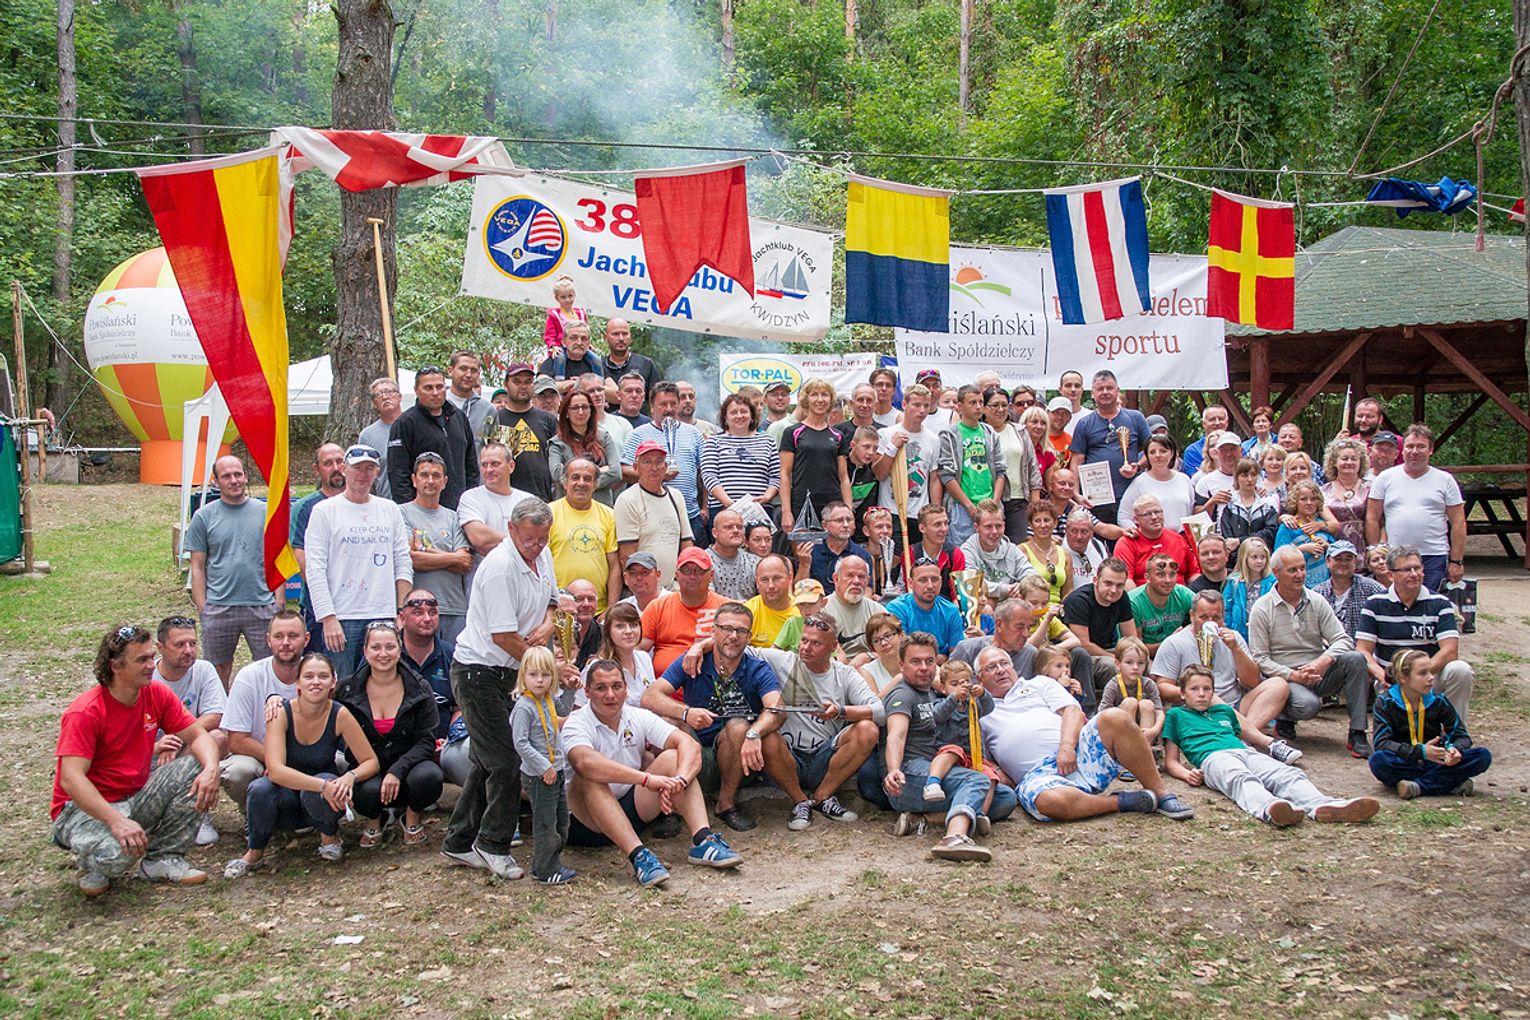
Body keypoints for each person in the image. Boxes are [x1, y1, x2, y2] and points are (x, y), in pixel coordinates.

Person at [51, 625, 223, 895]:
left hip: (134, 795)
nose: (151, 666)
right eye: (141, 660)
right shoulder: (85, 712)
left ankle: (163, 858)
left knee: (197, 765)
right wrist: (115, 821)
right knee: (120, 854)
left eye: (151, 657)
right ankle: (93, 860)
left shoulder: (156, 694)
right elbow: (71, 779)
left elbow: (199, 736)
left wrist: (212, 769)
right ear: (116, 666)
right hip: (83, 808)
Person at [441, 498, 558, 881]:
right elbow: (503, 636)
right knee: (506, 761)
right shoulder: (498, 569)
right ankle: (493, 844)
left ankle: (459, 840)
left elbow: (553, 599)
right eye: (528, 539)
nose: (536, 546)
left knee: (485, 760)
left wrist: (548, 623)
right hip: (478, 674)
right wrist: (544, 667)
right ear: (510, 530)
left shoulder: (542, 556)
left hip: (509, 673)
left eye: (542, 539)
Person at [566, 659, 742, 887]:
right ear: (587, 692)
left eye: (616, 686)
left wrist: (679, 781)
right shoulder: (576, 722)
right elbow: (584, 762)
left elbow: (688, 744)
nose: (610, 695)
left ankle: (703, 840)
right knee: (590, 777)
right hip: (585, 822)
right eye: (601, 688)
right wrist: (647, 779)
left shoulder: (637, 716)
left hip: (630, 807)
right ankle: (639, 856)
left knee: (674, 757)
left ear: (626, 689)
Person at [222, 652, 379, 877]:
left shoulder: (340, 714)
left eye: (323, 676)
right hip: (286, 795)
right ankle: (254, 852)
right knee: (259, 789)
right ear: (298, 683)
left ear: (333, 682)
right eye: (308, 676)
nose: (316, 682)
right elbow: (275, 771)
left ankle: (329, 838)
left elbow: (370, 761)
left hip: (320, 799)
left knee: (325, 784)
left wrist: (349, 777)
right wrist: (322, 786)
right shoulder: (281, 713)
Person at [1164, 665, 1378, 826]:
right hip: (1212, 758)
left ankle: (1322, 804)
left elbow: (1246, 734)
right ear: (1182, 693)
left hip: (1244, 750)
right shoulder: (1176, 715)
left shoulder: (1225, 711)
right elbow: (1171, 761)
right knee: (1240, 777)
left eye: (1207, 689)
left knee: (1286, 774)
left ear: (1214, 692)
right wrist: (1187, 774)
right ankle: (1270, 808)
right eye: (1194, 689)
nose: (1201, 694)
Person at [641, 602, 783, 831]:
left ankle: (726, 804)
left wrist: (754, 732)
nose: (733, 636)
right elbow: (650, 696)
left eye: (741, 631)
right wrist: (686, 712)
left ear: (749, 637)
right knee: (667, 723)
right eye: (726, 628)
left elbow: (777, 708)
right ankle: (670, 807)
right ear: (713, 631)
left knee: (739, 726)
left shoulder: (757, 669)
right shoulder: (692, 661)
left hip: (739, 758)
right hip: (694, 749)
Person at [878, 634, 1002, 861]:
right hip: (908, 776)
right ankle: (953, 838)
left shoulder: (935, 691)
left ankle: (922, 819)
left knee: (1004, 798)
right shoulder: (903, 694)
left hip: (940, 772)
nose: (924, 668)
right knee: (977, 782)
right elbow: (896, 734)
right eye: (915, 661)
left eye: (929, 661)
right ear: (901, 665)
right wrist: (894, 769)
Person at [1248, 546, 1372, 755]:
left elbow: (1343, 639)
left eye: (1302, 568)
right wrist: (1292, 675)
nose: (1300, 575)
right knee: (1307, 706)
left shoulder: (1316, 601)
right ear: (1276, 572)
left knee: (1356, 659)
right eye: (1292, 570)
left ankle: (1357, 732)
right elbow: (1260, 658)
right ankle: (1284, 718)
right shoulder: (1262, 608)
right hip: (1284, 678)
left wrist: (1323, 661)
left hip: (1318, 672)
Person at [303, 445, 414, 679]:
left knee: (382, 683)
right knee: (342, 686)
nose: (363, 475)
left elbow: (403, 562)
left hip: (383, 614)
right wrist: (328, 618)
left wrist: (400, 610)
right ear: (344, 469)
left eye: (369, 469)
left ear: (377, 472)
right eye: (357, 468)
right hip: (342, 616)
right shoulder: (324, 511)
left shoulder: (390, 510)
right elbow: (315, 569)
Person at [336, 622, 442, 849]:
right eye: (376, 647)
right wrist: (274, 699)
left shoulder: (419, 687)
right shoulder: (346, 690)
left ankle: (412, 816)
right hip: (368, 769)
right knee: (365, 792)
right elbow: (315, 705)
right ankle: (375, 820)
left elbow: (426, 740)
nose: (383, 654)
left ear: (400, 650)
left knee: (430, 777)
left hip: (409, 768)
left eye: (390, 647)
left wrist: (397, 770)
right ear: (365, 651)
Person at [1356, 545, 1476, 724]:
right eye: (1406, 570)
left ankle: (1454, 731)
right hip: (1392, 680)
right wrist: (1383, 676)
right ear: (1391, 575)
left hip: (1430, 676)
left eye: (1417, 568)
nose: (1414, 574)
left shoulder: (1440, 603)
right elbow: (1363, 650)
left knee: (1460, 670)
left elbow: (1450, 651)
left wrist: (1417, 676)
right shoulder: (1374, 604)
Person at [186, 454, 277, 686]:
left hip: (262, 604)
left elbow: (278, 558)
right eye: (226, 476)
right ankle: (220, 707)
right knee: (218, 670)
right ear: (216, 481)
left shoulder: (266, 512)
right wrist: (203, 607)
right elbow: (197, 566)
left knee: (267, 668)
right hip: (219, 606)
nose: (234, 480)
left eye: (238, 474)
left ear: (246, 476)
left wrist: (279, 601)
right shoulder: (204, 517)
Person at [1152, 590, 1291, 731]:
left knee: (1278, 685)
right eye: (1203, 617)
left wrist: (1236, 649)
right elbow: (1163, 687)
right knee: (1208, 695)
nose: (1210, 622)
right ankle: (1246, 735)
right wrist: (1194, 692)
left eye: (1216, 618)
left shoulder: (1234, 638)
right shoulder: (1174, 643)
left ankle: (1242, 734)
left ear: (1223, 617)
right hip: (1193, 709)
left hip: (1233, 707)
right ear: (1192, 616)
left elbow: (1252, 682)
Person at [219, 610, 310, 813]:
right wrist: (277, 761)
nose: (285, 643)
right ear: (268, 640)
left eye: (293, 636)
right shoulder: (249, 677)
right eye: (278, 636)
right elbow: (236, 740)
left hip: (308, 755)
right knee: (237, 772)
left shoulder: (318, 675)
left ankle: (313, 816)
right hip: (260, 756)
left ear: (306, 639)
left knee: (340, 763)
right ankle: (252, 812)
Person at [1368, 650, 1491, 799]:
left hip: (1438, 760)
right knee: (1378, 761)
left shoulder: (1438, 701)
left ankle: (1418, 787)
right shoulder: (1386, 702)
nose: (1431, 677)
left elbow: (1461, 736)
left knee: (1482, 756)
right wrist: (1422, 752)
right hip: (1405, 760)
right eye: (1423, 673)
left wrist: (1453, 749)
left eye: (1431, 672)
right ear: (1402, 677)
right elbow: (1382, 743)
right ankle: (1449, 782)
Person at [151, 616, 227, 846]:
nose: (188, 650)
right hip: (149, 756)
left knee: (217, 738)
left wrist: (177, 737)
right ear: (160, 648)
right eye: (180, 645)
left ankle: (195, 811)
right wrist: (158, 746)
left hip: (184, 748)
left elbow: (216, 714)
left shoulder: (203, 670)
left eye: (193, 644)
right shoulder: (147, 677)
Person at [1365, 424, 1465, 593]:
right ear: (1402, 450)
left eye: (1421, 447)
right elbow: (1372, 518)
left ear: (1431, 450)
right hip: (1395, 555)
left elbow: (1458, 522)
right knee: (1397, 600)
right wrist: (1377, 553)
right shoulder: (1385, 478)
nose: (1414, 451)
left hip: (1433, 555)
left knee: (1428, 601)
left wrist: (1456, 561)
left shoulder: (1445, 480)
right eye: (1410, 446)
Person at [508, 647, 575, 884]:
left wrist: (570, 688)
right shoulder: (523, 707)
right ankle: (545, 869)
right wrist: (543, 766)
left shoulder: (548, 699)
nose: (539, 680)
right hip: (539, 774)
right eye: (533, 674)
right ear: (523, 676)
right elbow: (520, 743)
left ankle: (552, 861)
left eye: (546, 675)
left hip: (556, 769)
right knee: (546, 823)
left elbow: (564, 710)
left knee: (561, 820)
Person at [400, 452, 473, 644]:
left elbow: (465, 562)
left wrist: (423, 550)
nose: (430, 481)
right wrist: (452, 557)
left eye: (436, 476)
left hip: (454, 608)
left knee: (453, 661)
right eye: (424, 475)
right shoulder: (401, 513)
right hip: (417, 608)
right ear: (414, 480)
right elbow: (410, 559)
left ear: (444, 482)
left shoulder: (454, 517)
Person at [622, 382, 708, 540]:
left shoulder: (694, 433)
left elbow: (706, 472)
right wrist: (658, 475)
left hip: (690, 516)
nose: (669, 409)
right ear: (652, 407)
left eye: (673, 403)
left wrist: (705, 507)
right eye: (663, 404)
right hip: (652, 516)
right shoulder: (638, 434)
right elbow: (625, 471)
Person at [386, 367, 480, 509]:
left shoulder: (458, 417)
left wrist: (470, 501)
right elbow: (398, 474)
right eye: (428, 388)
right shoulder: (405, 423)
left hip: (461, 509)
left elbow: (471, 466)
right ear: (416, 390)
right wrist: (410, 511)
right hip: (423, 511)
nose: (435, 393)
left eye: (439, 387)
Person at [398, 587, 463, 787]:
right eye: (418, 613)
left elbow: (460, 707)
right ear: (402, 618)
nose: (427, 618)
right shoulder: (386, 655)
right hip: (397, 748)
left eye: (433, 612)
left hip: (443, 747)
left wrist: (451, 737)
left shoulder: (453, 656)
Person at [1067, 370, 1150, 525]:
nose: (1105, 392)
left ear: (1117, 391)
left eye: (1109, 388)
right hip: (1096, 498)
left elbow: (1151, 451)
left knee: (1131, 535)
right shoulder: (1084, 423)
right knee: (1100, 536)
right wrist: (1076, 494)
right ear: (1093, 394)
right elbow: (1077, 461)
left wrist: (1138, 466)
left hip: (1130, 493)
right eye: (1100, 389)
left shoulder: (1136, 418)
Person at [614, 439, 694, 588]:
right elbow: (627, 556)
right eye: (647, 462)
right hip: (643, 588)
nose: (654, 467)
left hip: (672, 587)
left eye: (659, 462)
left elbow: (686, 542)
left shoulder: (676, 496)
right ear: (635, 467)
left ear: (666, 467)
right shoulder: (627, 500)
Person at [873, 382, 942, 552]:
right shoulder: (886, 434)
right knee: (894, 560)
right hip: (891, 512)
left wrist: (935, 512)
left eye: (926, 405)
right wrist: (892, 447)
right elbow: (879, 474)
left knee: (917, 561)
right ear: (904, 404)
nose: (922, 410)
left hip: (919, 512)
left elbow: (934, 478)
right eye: (916, 405)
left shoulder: (933, 439)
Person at [937, 384, 1008, 548]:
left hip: (990, 504)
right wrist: (969, 506)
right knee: (962, 553)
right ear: (960, 406)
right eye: (972, 402)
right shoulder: (949, 435)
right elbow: (946, 475)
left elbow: (1000, 470)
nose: (978, 407)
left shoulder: (990, 433)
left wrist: (995, 503)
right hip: (961, 506)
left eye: (981, 402)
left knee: (992, 550)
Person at [291, 442, 346, 650]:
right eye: (328, 463)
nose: (336, 468)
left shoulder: (365, 504)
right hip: (317, 606)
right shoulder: (305, 507)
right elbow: (302, 560)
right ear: (317, 469)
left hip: (357, 604)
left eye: (340, 461)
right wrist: (326, 600)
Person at [1061, 557, 1138, 708]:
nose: (1114, 590)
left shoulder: (1122, 597)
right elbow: (1083, 644)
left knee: (1142, 662)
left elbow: (1131, 638)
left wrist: (1134, 657)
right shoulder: (1078, 600)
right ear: (1096, 580)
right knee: (1113, 666)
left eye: (1119, 585)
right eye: (1108, 583)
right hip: (1078, 655)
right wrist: (1118, 659)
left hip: (1107, 649)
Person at [778, 378, 853, 534]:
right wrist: (786, 512)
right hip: (801, 504)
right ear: (806, 399)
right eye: (814, 394)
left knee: (834, 548)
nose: (820, 400)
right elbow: (785, 474)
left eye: (825, 395)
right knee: (803, 549)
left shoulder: (838, 436)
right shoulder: (793, 432)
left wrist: (848, 512)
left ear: (831, 399)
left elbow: (844, 478)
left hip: (832, 506)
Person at [547, 458, 620, 614]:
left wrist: (610, 609)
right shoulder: (548, 514)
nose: (581, 483)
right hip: (559, 607)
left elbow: (614, 566)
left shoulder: (609, 515)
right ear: (564, 483)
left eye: (587, 479)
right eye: (575, 477)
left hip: (597, 610)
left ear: (595, 485)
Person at [641, 547, 726, 676]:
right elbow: (638, 650)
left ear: (711, 575)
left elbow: (739, 642)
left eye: (699, 571)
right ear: (677, 575)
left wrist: (703, 645)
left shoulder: (726, 608)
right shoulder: (657, 607)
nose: (692, 576)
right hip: (665, 683)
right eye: (686, 571)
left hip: (713, 683)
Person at [490, 362, 560, 502]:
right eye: (517, 382)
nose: (523, 386)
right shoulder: (496, 419)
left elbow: (557, 458)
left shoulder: (547, 419)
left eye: (528, 382)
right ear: (506, 384)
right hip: (503, 499)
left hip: (542, 498)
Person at [702, 393, 780, 518]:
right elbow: (709, 476)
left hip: (760, 509)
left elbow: (776, 476)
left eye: (744, 411)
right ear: (725, 417)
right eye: (733, 412)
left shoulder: (768, 441)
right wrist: (729, 503)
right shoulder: (714, 441)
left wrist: (767, 496)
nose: (739, 416)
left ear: (751, 415)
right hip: (723, 509)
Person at [983, 386, 1042, 541]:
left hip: (1019, 500)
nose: (1000, 409)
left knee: (1018, 545)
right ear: (984, 408)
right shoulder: (980, 433)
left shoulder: (1020, 431)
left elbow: (1032, 466)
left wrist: (1035, 500)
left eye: (1004, 405)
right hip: (989, 500)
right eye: (995, 405)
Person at [548, 389, 622, 507]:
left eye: (585, 407)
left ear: (591, 410)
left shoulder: (604, 438)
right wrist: (598, 470)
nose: (581, 412)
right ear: (566, 413)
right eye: (575, 408)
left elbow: (616, 472)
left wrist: (575, 479)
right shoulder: (557, 443)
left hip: (601, 507)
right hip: (568, 509)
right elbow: (556, 474)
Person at [578, 602, 656, 707]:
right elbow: (578, 706)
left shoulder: (644, 658)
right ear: (608, 632)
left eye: (633, 625)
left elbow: (652, 698)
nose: (628, 631)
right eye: (620, 626)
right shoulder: (596, 666)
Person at [885, 559, 967, 658]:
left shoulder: (951, 611)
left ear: (941, 582)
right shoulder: (897, 609)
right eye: (923, 580)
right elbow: (902, 654)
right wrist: (939, 658)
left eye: (934, 579)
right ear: (910, 583)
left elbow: (957, 657)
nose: (930, 586)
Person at [959, 498, 1036, 603]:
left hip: (1010, 605)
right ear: (977, 527)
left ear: (1004, 525)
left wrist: (1021, 587)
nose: (994, 531)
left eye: (998, 526)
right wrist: (1006, 590)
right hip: (982, 606)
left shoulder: (1011, 549)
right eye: (988, 527)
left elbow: (1032, 575)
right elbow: (972, 583)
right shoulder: (966, 551)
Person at [1112, 495, 1200, 584]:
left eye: (1157, 512)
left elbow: (1193, 574)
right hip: (1144, 591)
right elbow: (1126, 581)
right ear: (1136, 520)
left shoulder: (1177, 539)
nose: (1154, 517)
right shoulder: (1126, 543)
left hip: (1179, 591)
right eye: (1147, 514)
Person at [1120, 436, 1195, 530]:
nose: (1158, 455)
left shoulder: (1184, 480)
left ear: (1172, 453)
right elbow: (1124, 516)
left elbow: (1191, 512)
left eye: (1163, 451)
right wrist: (1138, 534)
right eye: (1152, 452)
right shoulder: (1139, 483)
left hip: (1183, 536)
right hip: (1155, 537)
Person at [1095, 637, 1162, 742]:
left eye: (1140, 663)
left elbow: (1159, 711)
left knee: (1147, 704)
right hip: (1120, 734)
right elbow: (1102, 714)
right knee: (1130, 703)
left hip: (1146, 733)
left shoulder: (1149, 684)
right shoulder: (1113, 685)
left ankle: (1145, 745)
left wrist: (1155, 729)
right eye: (1129, 662)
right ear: (1118, 664)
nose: (1135, 667)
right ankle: (1127, 744)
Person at [1314, 540, 1385, 640]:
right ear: (1327, 561)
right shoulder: (1317, 594)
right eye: (1338, 559)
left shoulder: (1373, 589)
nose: (1343, 563)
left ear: (1355, 562)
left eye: (1348, 559)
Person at [1127, 553, 1194, 656]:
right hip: (1145, 658)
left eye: (1172, 574)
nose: (1168, 580)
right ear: (1147, 578)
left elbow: (1205, 614)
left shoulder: (1183, 595)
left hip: (1179, 652)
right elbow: (1134, 649)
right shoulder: (1134, 602)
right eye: (1160, 575)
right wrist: (1170, 643)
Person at [799, 501, 872, 591]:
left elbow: (868, 590)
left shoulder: (862, 555)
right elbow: (799, 589)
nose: (846, 525)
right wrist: (804, 564)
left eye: (849, 520)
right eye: (839, 520)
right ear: (825, 525)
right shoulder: (811, 551)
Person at [819, 554, 883, 657]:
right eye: (850, 575)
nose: (856, 581)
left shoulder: (877, 611)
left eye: (861, 577)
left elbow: (893, 650)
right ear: (836, 579)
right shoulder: (822, 610)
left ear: (867, 581)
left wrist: (868, 657)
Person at [1217, 457, 1279, 554]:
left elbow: (1270, 533)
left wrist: (1240, 540)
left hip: (1262, 555)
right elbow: (1227, 537)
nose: (1250, 479)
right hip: (1235, 557)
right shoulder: (1227, 503)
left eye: (1253, 475)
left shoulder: (1268, 503)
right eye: (1244, 475)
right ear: (1236, 477)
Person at [1321, 437, 1371, 550]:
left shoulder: (1370, 488)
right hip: (1333, 548)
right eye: (1344, 459)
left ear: (1360, 462)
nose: (1349, 462)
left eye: (1354, 459)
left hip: (1363, 548)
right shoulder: (1322, 491)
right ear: (1334, 462)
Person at [598, 318, 658, 410]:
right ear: (605, 338)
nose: (621, 338)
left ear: (630, 337)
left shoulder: (646, 364)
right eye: (615, 334)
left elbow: (656, 400)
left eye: (625, 334)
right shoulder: (597, 365)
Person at [358, 377, 403, 497]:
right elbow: (363, 474)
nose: (385, 397)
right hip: (387, 501)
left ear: (400, 397)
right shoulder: (367, 436)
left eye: (389, 392)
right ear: (374, 403)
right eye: (378, 395)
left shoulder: (416, 425)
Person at [1223, 537, 1275, 641]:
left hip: (1265, 634)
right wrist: (1229, 628)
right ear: (1244, 558)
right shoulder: (1234, 582)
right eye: (1254, 557)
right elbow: (1226, 608)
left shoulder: (1272, 582)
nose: (1259, 561)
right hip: (1239, 635)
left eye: (1263, 557)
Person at [537, 319, 604, 395]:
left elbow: (608, 389)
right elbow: (539, 384)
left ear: (589, 343)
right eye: (573, 338)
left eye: (584, 339)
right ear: (563, 341)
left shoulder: (595, 363)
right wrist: (572, 384)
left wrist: (582, 384)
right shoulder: (555, 359)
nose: (579, 343)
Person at [743, 554, 796, 647]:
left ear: (790, 578)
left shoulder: (803, 611)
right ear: (757, 583)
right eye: (764, 580)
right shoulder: (747, 613)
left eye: (777, 578)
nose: (771, 585)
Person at [446, 350, 495, 448]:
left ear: (478, 374)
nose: (468, 375)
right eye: (463, 369)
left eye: (473, 370)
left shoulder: (488, 410)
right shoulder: (437, 404)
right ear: (450, 371)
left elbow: (493, 449)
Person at [1192, 431, 1244, 521]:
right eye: (1224, 450)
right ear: (1218, 453)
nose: (1229, 454)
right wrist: (1212, 502)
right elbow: (1196, 517)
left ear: (1241, 451)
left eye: (1232, 449)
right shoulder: (1205, 481)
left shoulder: (1253, 477)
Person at [1063, 509, 1109, 590]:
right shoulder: (1059, 550)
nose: (1079, 537)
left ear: (1091, 533)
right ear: (1066, 531)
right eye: (1074, 531)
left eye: (1084, 532)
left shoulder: (1098, 546)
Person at [1179, 404, 1229, 476]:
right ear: (1204, 424)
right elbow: (1197, 479)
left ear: (1227, 422)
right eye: (1212, 419)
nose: (1217, 423)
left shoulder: (1237, 447)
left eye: (1221, 419)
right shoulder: (1193, 451)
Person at [543, 274, 586, 356]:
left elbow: (586, 333)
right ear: (557, 298)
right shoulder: (554, 315)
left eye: (570, 296)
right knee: (560, 359)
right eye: (563, 297)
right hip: (562, 347)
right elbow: (549, 335)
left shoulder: (581, 314)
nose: (567, 300)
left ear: (574, 295)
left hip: (580, 346)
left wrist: (588, 343)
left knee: (595, 359)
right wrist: (553, 346)